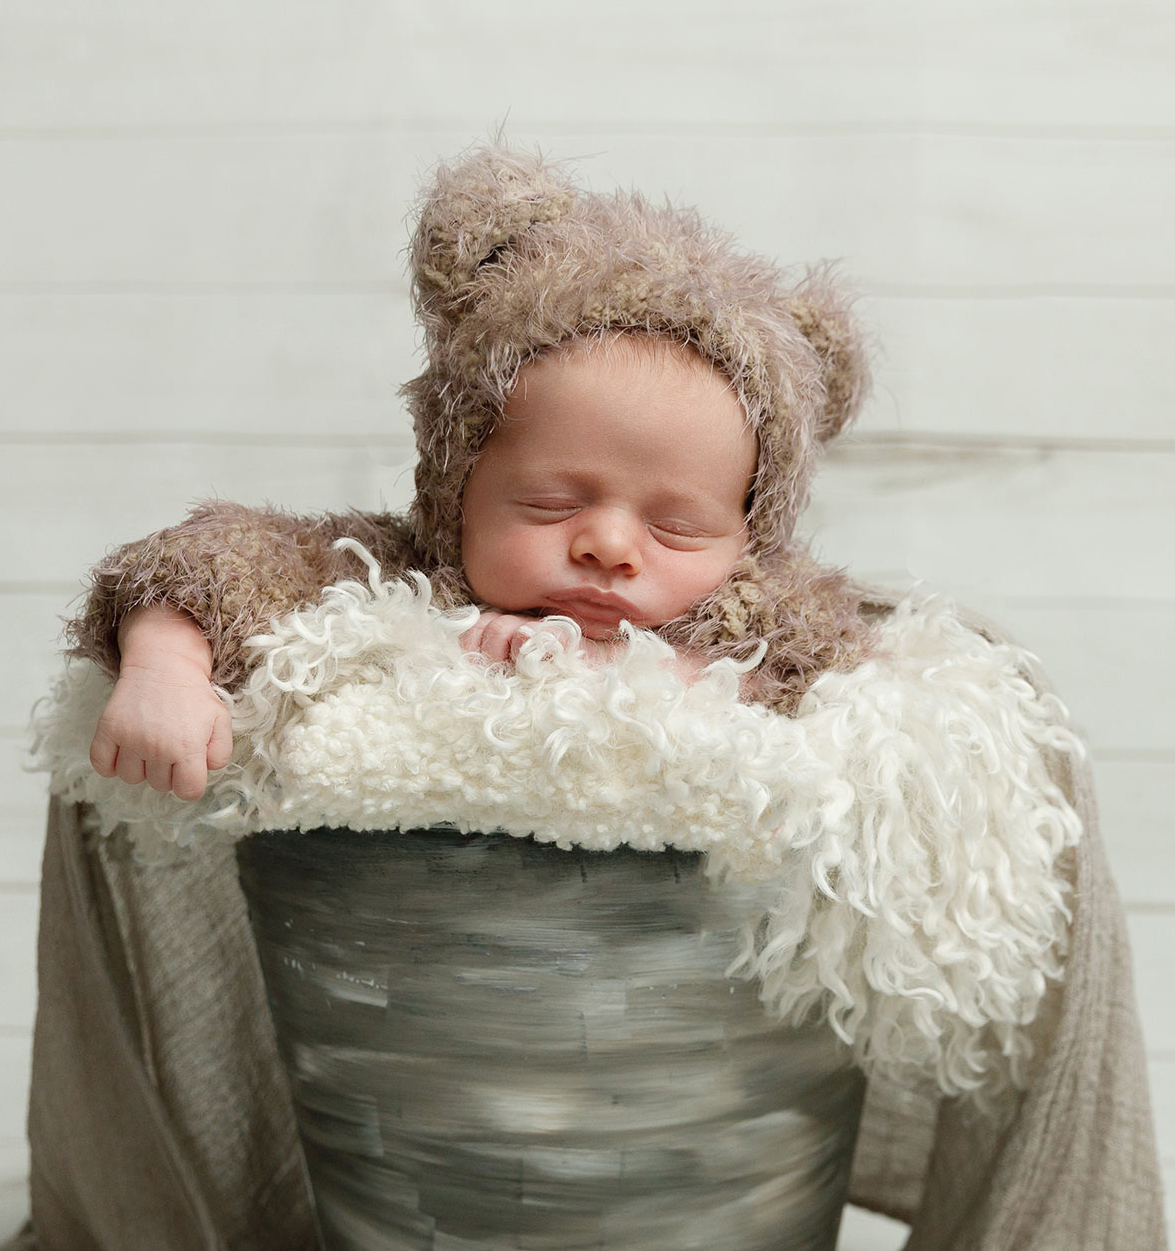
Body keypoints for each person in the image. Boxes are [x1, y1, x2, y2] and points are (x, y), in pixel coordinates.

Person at [61, 142, 881, 806]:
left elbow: (831, 657)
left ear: (748, 533)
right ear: (457, 488)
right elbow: (220, 560)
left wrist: (644, 674)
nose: (608, 545)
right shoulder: (403, 574)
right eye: (551, 502)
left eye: (678, 527)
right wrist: (165, 667)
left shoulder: (747, 613)